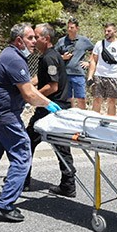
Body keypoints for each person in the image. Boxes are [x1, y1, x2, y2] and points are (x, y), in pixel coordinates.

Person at [0, 23, 62, 222]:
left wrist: (42, 98)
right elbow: (29, 94)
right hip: (3, 114)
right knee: (22, 153)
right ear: (19, 40)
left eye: (35, 37)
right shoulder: (14, 59)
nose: (34, 41)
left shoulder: (9, 55)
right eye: (30, 38)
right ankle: (5, 204)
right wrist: (49, 104)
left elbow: (27, 85)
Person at [25, 23, 76, 197]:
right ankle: (68, 185)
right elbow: (43, 77)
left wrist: (32, 97)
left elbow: (52, 86)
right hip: (55, 108)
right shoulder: (49, 56)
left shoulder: (49, 58)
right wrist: (27, 85)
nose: (33, 40)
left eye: (36, 37)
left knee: (27, 141)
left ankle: (22, 181)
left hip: (50, 108)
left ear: (45, 39)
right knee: (61, 146)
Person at [84, 23, 117, 116]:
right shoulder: (99, 44)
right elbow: (93, 61)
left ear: (115, 32)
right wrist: (90, 76)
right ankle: (94, 120)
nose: (106, 33)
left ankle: (110, 122)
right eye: (105, 31)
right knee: (97, 99)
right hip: (99, 75)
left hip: (114, 76)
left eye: (109, 31)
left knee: (112, 101)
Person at [54, 17, 94, 109]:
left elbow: (95, 52)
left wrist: (89, 62)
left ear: (77, 28)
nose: (69, 29)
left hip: (78, 74)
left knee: (81, 98)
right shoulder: (61, 41)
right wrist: (62, 57)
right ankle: (69, 116)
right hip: (64, 74)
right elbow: (53, 55)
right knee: (67, 98)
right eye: (68, 27)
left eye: (71, 27)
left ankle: (82, 117)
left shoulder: (84, 41)